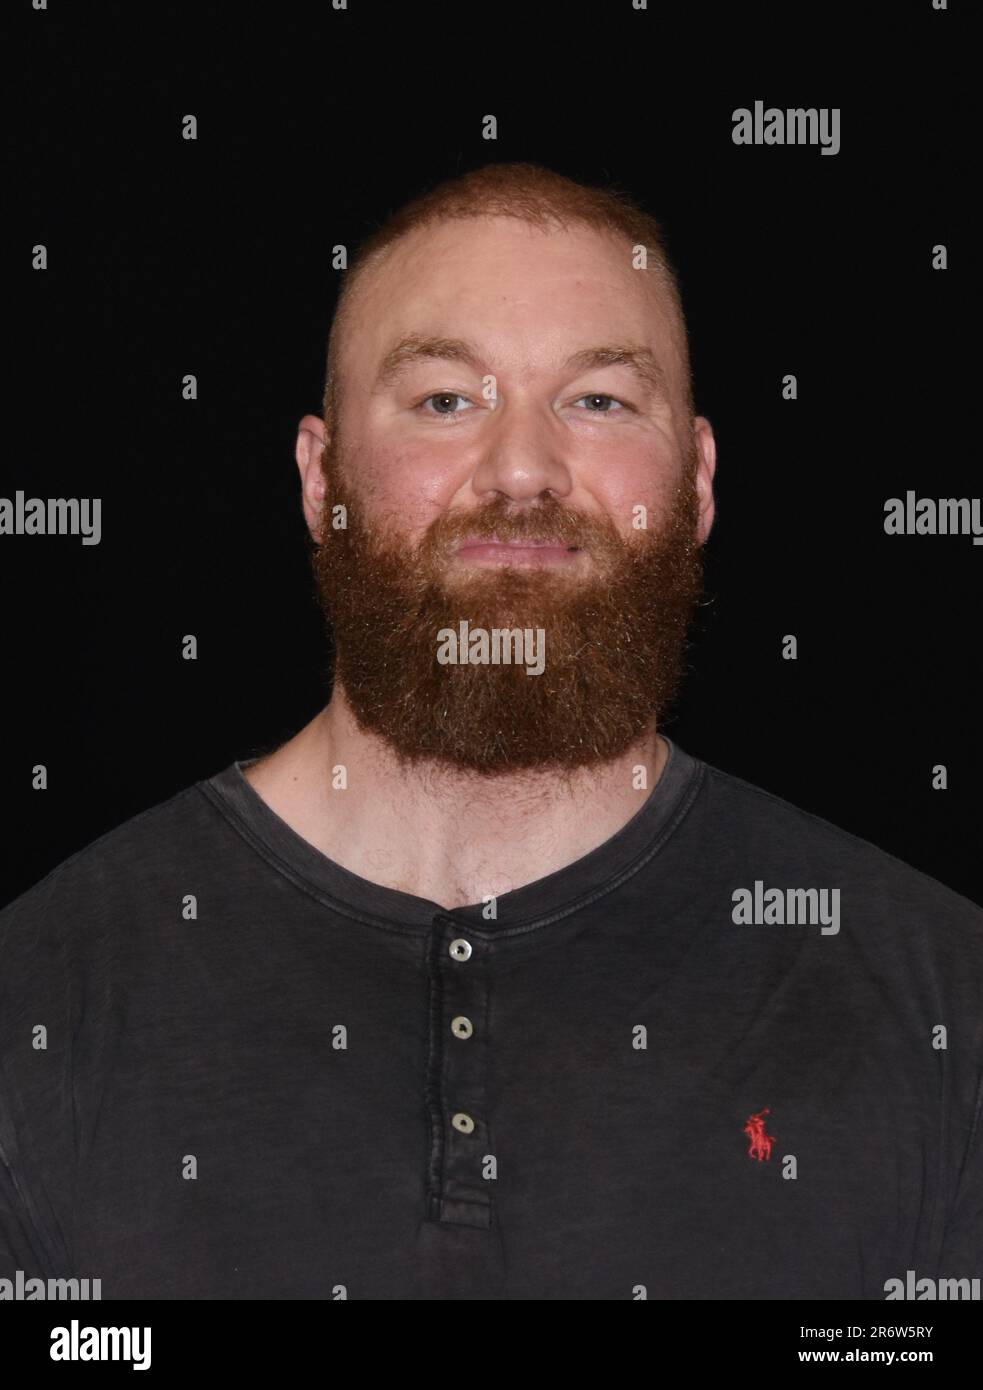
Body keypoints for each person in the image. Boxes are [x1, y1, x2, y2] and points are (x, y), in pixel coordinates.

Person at [1, 164, 980, 1301]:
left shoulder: (939, 1004)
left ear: (698, 480)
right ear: (321, 478)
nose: (522, 471)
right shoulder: (43, 997)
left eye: (598, 401)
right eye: (444, 401)